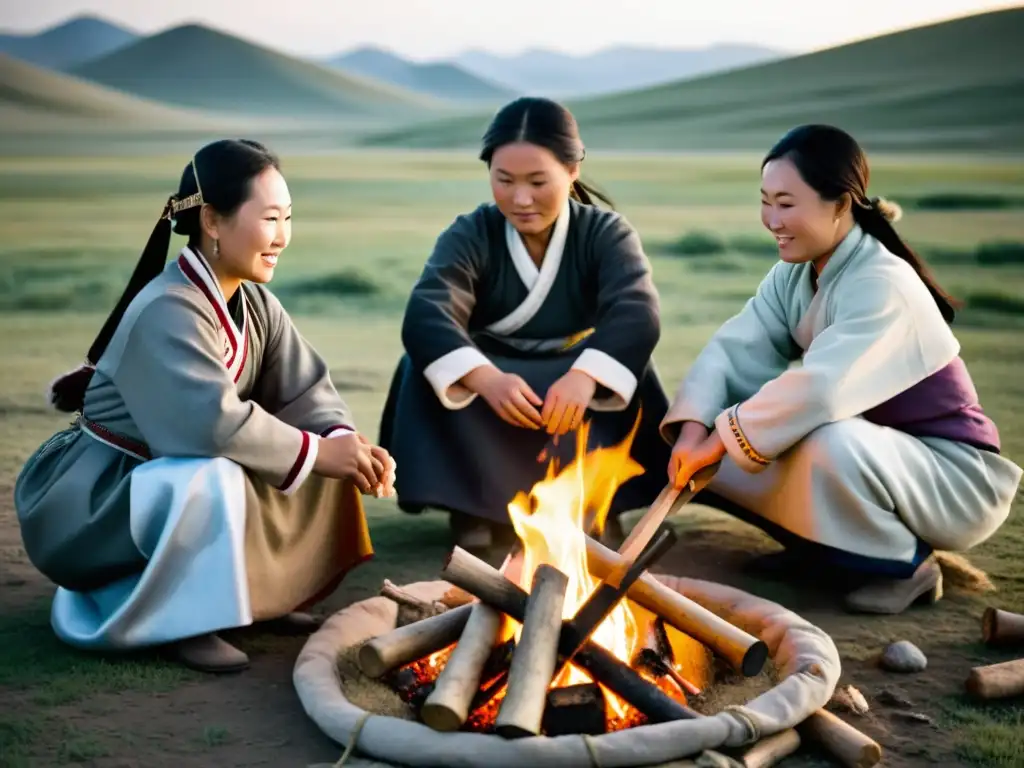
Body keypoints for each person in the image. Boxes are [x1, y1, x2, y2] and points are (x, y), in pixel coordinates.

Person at [14, 139, 396, 673]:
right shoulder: (167, 308)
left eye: (288, 218)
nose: (282, 236)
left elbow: (304, 389)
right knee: (216, 472)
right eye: (268, 218)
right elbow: (206, 425)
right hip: (97, 497)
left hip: (164, 474)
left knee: (317, 449)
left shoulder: (258, 302)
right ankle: (184, 619)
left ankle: (259, 598)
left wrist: (340, 444)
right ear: (212, 221)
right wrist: (316, 453)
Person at [660, 124, 1022, 614]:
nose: (771, 219)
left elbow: (821, 390)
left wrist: (720, 438)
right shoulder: (793, 273)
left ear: (841, 203)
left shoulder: (882, 281)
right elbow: (735, 349)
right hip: (878, 458)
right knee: (734, 452)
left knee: (816, 437)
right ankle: (819, 553)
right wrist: (693, 431)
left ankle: (906, 565)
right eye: (765, 200)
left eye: (786, 203)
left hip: (952, 478)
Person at [378, 97, 672, 550]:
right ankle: (472, 507)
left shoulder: (606, 233)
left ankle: (598, 501)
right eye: (504, 180)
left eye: (538, 181)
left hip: (573, 374)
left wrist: (585, 378)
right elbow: (429, 310)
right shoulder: (471, 233)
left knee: (628, 370)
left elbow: (635, 310)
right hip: (492, 370)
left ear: (572, 171)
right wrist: (485, 378)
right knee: (424, 367)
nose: (520, 198)